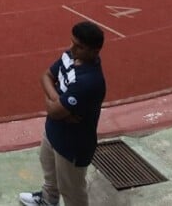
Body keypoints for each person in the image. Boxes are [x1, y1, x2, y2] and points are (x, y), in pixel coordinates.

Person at [19, 21, 107, 206]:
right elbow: (45, 76)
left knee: (72, 190)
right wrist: (57, 98)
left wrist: (54, 102)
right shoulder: (69, 57)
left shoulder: (89, 82)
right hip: (54, 132)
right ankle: (47, 200)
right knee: (49, 171)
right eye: (72, 42)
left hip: (73, 145)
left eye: (79, 46)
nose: (72, 48)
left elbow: (54, 111)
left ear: (94, 51)